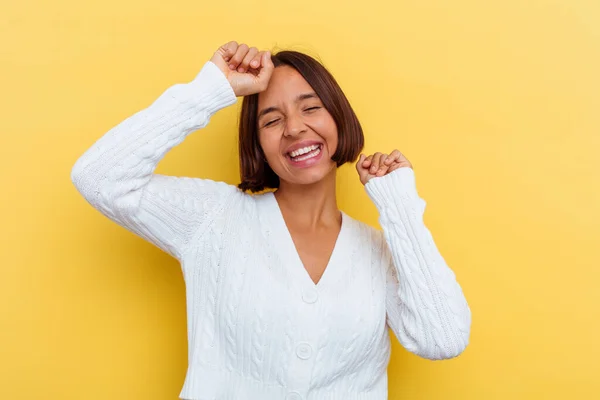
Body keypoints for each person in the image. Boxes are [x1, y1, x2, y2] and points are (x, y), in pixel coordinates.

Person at [71, 41, 471, 400]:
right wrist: (212, 90)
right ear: (258, 145)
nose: (295, 128)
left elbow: (443, 338)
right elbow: (99, 177)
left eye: (311, 107)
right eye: (271, 120)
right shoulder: (214, 217)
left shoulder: (379, 251)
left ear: (339, 119)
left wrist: (398, 206)